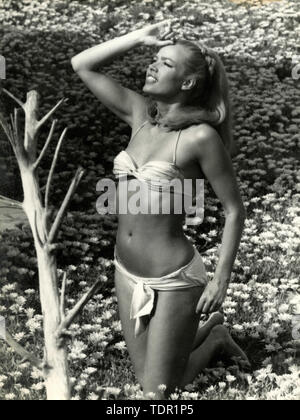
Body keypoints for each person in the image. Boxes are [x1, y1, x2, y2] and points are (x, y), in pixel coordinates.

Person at [71, 20, 250, 400]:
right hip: (125, 268)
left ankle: (215, 337)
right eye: (153, 59)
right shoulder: (139, 115)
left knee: (157, 392)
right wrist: (138, 37)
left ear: (187, 83)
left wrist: (220, 279)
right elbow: (82, 64)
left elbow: (235, 210)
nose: (152, 66)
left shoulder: (200, 138)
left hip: (174, 276)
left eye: (165, 63)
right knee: (147, 380)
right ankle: (209, 331)